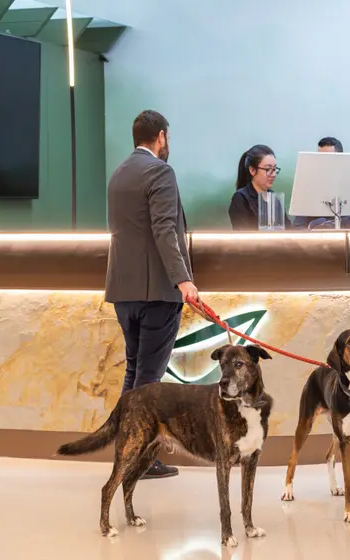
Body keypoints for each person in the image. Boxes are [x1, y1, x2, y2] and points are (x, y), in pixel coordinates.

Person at [104, 110, 199, 480]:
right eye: (167, 137)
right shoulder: (160, 172)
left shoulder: (118, 173)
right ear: (161, 136)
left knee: (135, 373)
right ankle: (140, 459)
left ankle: (128, 453)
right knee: (148, 380)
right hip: (157, 292)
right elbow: (164, 230)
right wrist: (183, 280)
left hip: (123, 292)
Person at [291, 137, 350, 230]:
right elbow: (298, 227)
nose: (322, 163)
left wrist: (318, 225)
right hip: (313, 239)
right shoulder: (309, 189)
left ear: (340, 160)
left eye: (328, 158)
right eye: (319, 159)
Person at [229, 144, 292, 230]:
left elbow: (289, 229)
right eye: (268, 169)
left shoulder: (274, 199)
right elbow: (243, 234)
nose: (273, 174)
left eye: (274, 169)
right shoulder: (241, 198)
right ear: (252, 170)